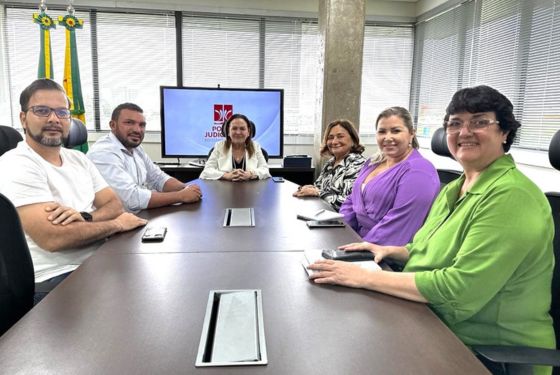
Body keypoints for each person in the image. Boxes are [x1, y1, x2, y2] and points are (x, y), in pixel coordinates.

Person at [309, 86, 555, 375]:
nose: (464, 131)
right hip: (431, 321)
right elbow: (427, 249)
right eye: (455, 123)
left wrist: (363, 277)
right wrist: (393, 251)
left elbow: (457, 291)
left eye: (479, 122)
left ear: (505, 133)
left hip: (485, 352)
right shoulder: (454, 188)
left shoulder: (512, 197)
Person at [0, 79, 147, 303]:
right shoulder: (17, 164)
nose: (53, 119)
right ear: (23, 118)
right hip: (56, 280)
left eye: (61, 112)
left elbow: (114, 204)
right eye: (42, 110)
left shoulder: (77, 158)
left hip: (98, 259)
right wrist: (117, 224)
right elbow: (54, 238)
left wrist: (84, 216)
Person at [339, 107, 439, 246]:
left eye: (396, 131)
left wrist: (359, 249)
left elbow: (399, 226)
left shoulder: (420, 171)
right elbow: (352, 200)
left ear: (411, 134)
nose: (387, 137)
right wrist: (339, 230)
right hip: (357, 240)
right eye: (382, 132)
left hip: (385, 252)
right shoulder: (373, 161)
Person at [88, 103, 202, 213]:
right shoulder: (103, 153)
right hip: (112, 225)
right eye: (129, 123)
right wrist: (181, 196)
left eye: (142, 125)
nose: (137, 130)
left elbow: (157, 178)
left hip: (137, 217)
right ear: (113, 125)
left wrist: (187, 188)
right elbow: (132, 199)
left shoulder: (136, 148)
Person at [293, 119, 366, 211]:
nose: (334, 142)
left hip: (343, 221)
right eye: (330, 137)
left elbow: (348, 203)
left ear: (353, 140)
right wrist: (309, 188)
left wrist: (317, 192)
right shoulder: (330, 163)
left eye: (340, 136)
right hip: (323, 214)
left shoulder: (357, 163)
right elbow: (318, 187)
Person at [200, 113, 271, 181]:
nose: (238, 132)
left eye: (242, 129)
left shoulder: (256, 146)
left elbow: (265, 170)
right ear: (228, 131)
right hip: (223, 190)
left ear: (248, 131)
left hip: (252, 191)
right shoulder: (219, 146)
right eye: (234, 128)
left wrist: (250, 174)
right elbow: (207, 171)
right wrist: (226, 175)